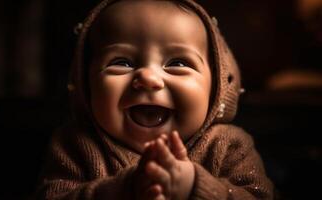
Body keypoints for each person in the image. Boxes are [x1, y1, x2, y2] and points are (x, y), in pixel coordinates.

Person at [35, 0, 274, 199]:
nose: (148, 78)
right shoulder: (76, 145)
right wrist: (120, 190)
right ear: (86, 84)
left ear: (217, 87)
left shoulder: (228, 146)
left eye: (178, 63)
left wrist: (194, 185)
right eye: (121, 62)